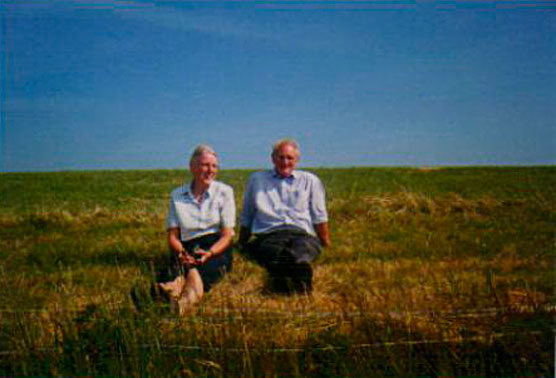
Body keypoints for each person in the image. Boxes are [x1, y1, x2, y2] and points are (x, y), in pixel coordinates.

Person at [238, 139, 331, 294]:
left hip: (302, 233)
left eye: (290, 158)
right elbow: (248, 213)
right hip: (270, 234)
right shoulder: (257, 180)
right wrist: (242, 241)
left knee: (304, 250)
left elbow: (319, 215)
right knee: (271, 251)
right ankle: (289, 276)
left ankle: (296, 273)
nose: (285, 162)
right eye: (281, 157)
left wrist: (325, 242)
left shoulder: (310, 181)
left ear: (297, 160)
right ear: (272, 158)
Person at [158, 144, 235, 314]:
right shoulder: (177, 195)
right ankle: (170, 289)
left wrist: (210, 253)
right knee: (172, 270)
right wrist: (182, 253)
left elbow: (227, 235)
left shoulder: (225, 192)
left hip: (215, 245)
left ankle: (183, 303)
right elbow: (172, 235)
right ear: (192, 168)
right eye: (205, 165)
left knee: (205, 269)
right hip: (186, 245)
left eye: (214, 166)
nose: (210, 170)